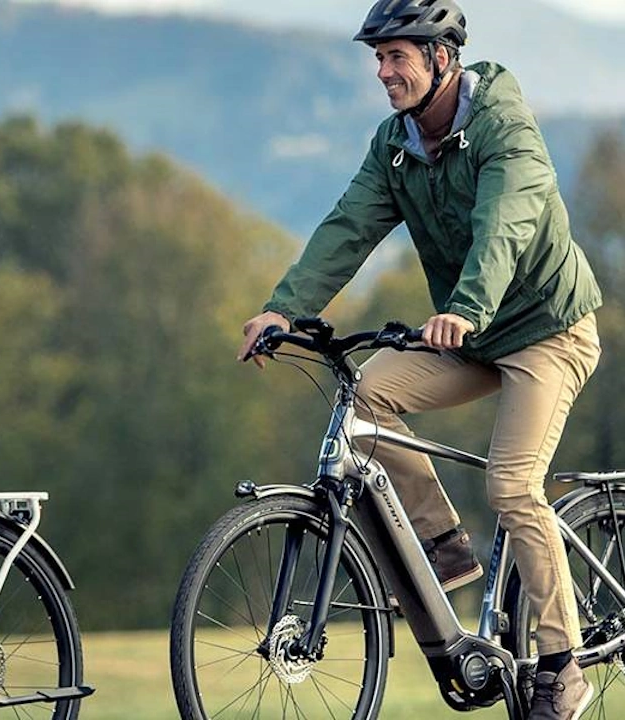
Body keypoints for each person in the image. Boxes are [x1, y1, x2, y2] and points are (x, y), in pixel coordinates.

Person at [237, 1, 601, 718]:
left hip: (546, 330)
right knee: (368, 398)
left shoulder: (504, 128)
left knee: (512, 486)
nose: (382, 71)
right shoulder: (395, 144)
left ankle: (562, 661)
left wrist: (465, 307)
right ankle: (443, 546)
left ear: (442, 58)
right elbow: (349, 225)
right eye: (377, 57)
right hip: (475, 336)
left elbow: (504, 225)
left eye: (395, 56)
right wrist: (283, 304)